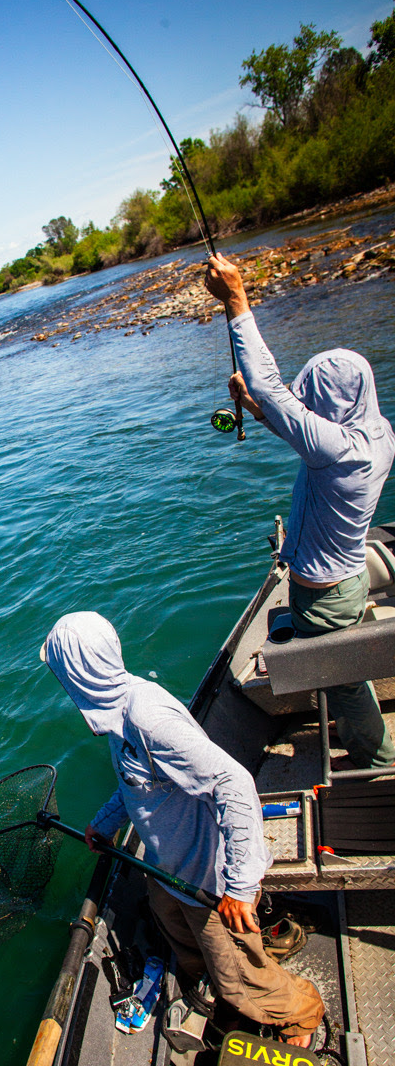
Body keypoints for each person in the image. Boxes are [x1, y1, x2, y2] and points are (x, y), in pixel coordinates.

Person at [41, 610, 324, 1048]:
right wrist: (104, 823)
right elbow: (135, 785)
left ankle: (302, 1016)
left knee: (239, 979)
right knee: (173, 929)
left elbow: (235, 783)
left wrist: (241, 887)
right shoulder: (116, 718)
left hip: (205, 880)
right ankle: (206, 980)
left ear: (77, 675)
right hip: (166, 871)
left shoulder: (149, 719)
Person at [205, 251, 395, 769]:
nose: (305, 407)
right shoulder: (376, 435)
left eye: (311, 400)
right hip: (350, 576)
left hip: (323, 596)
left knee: (345, 679)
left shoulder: (336, 447)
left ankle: (377, 759)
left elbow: (273, 388)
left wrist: (237, 299)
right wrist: (260, 412)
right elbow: (306, 433)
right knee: (348, 668)